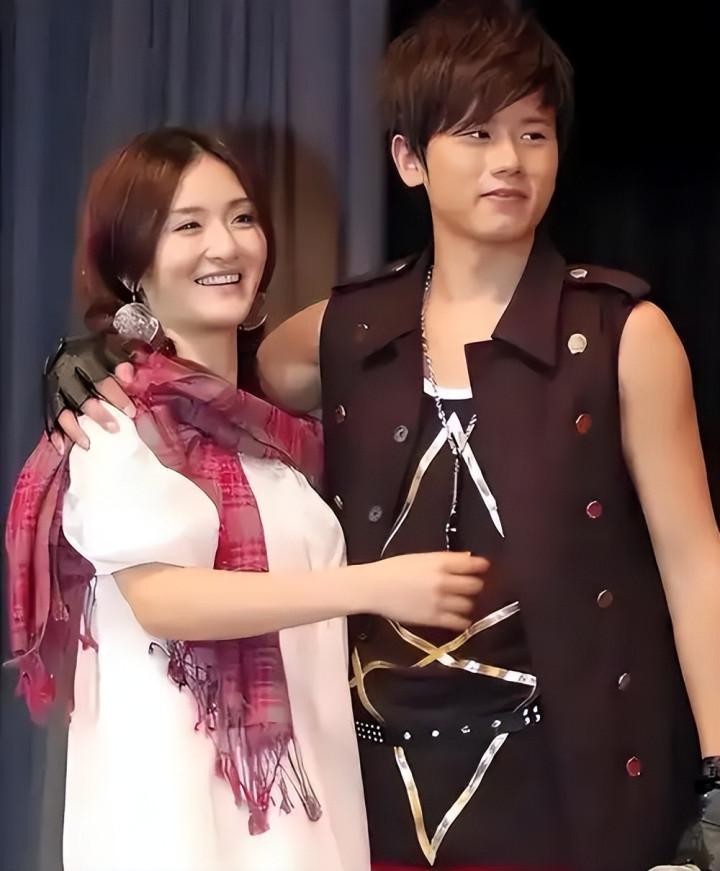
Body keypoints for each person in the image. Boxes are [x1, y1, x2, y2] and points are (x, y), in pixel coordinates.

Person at [38, 3, 720, 870]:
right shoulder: (347, 330)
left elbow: (696, 561)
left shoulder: (623, 333)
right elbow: (205, 387)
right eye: (476, 133)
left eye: (533, 134)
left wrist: (718, 776)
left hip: (572, 789)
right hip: (375, 800)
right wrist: (103, 353)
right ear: (408, 158)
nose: (509, 161)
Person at [5, 127, 488, 871]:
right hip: (176, 824)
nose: (224, 246)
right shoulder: (115, 417)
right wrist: (373, 586)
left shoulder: (273, 435)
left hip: (303, 810)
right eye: (187, 226)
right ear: (131, 266)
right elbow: (162, 598)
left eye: (241, 217)